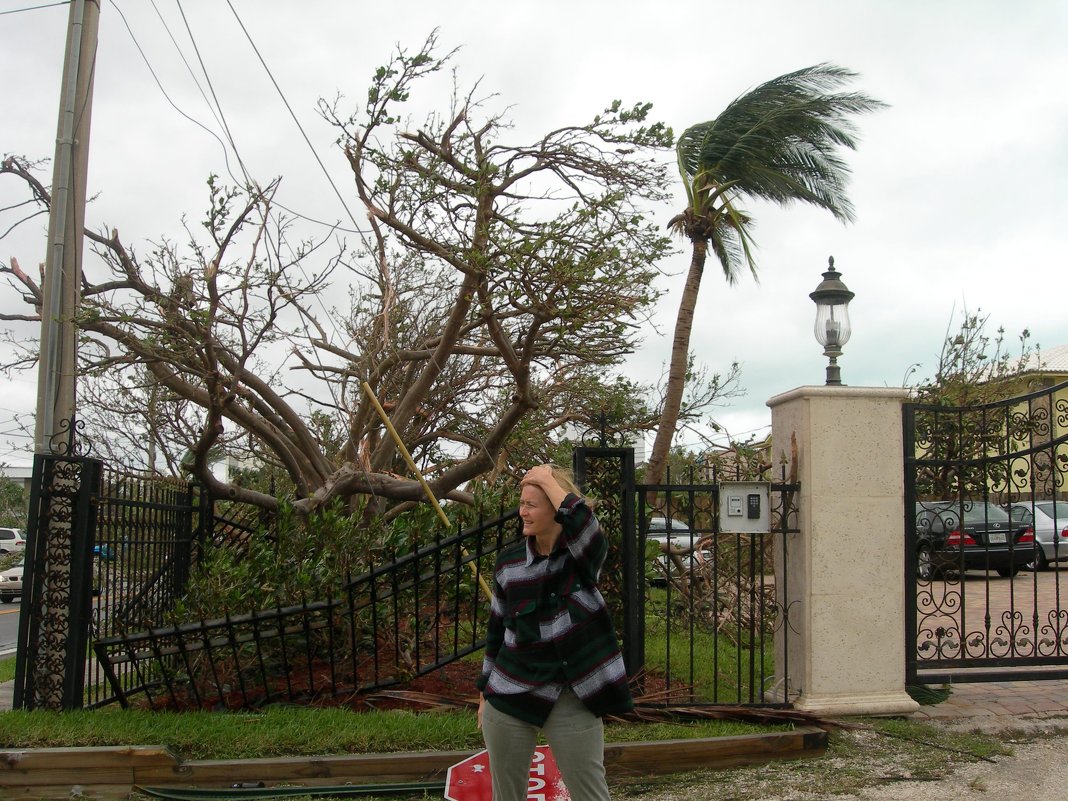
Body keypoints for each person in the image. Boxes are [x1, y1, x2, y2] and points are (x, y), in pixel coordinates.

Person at [476, 464, 633, 801]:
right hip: (509, 691)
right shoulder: (509, 563)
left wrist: (546, 477)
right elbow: (496, 631)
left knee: (591, 793)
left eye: (532, 504)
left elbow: (586, 526)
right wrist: (484, 692)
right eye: (521, 503)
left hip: (570, 694)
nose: (522, 512)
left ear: (555, 509)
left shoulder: (581, 558)